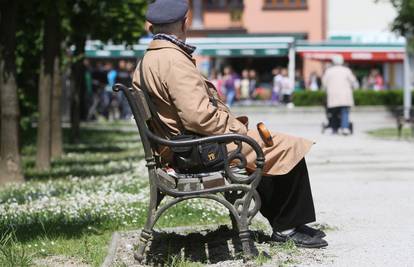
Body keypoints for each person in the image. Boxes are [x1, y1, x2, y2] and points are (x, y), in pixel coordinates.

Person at [133, 0, 328, 248]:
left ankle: (287, 224)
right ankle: (288, 227)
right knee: (288, 148)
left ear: (153, 26)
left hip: (184, 146)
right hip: (197, 150)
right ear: (185, 22)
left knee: (270, 147)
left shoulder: (150, 59)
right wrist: (237, 128)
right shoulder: (173, 60)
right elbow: (198, 117)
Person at [322, 55, 358, 135]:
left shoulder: (329, 71)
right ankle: (345, 128)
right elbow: (353, 82)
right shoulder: (346, 70)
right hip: (345, 95)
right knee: (345, 111)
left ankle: (334, 128)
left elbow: (324, 84)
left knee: (333, 112)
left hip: (333, 95)